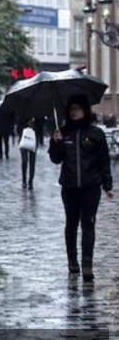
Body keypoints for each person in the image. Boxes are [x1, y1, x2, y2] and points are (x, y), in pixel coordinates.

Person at [48, 95, 114, 282]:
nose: (74, 112)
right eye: (71, 109)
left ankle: (87, 264)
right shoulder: (64, 132)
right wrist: (56, 142)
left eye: (77, 108)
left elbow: (104, 161)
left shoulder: (95, 134)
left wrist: (107, 185)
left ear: (85, 110)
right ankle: (72, 262)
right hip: (69, 187)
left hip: (90, 187)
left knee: (88, 225)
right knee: (71, 224)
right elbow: (55, 158)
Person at [18, 117, 37, 190]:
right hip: (24, 140)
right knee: (24, 161)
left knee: (32, 162)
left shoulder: (37, 116)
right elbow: (18, 128)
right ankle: (24, 181)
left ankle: (30, 182)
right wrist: (27, 124)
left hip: (34, 141)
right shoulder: (22, 115)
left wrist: (34, 125)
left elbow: (40, 128)